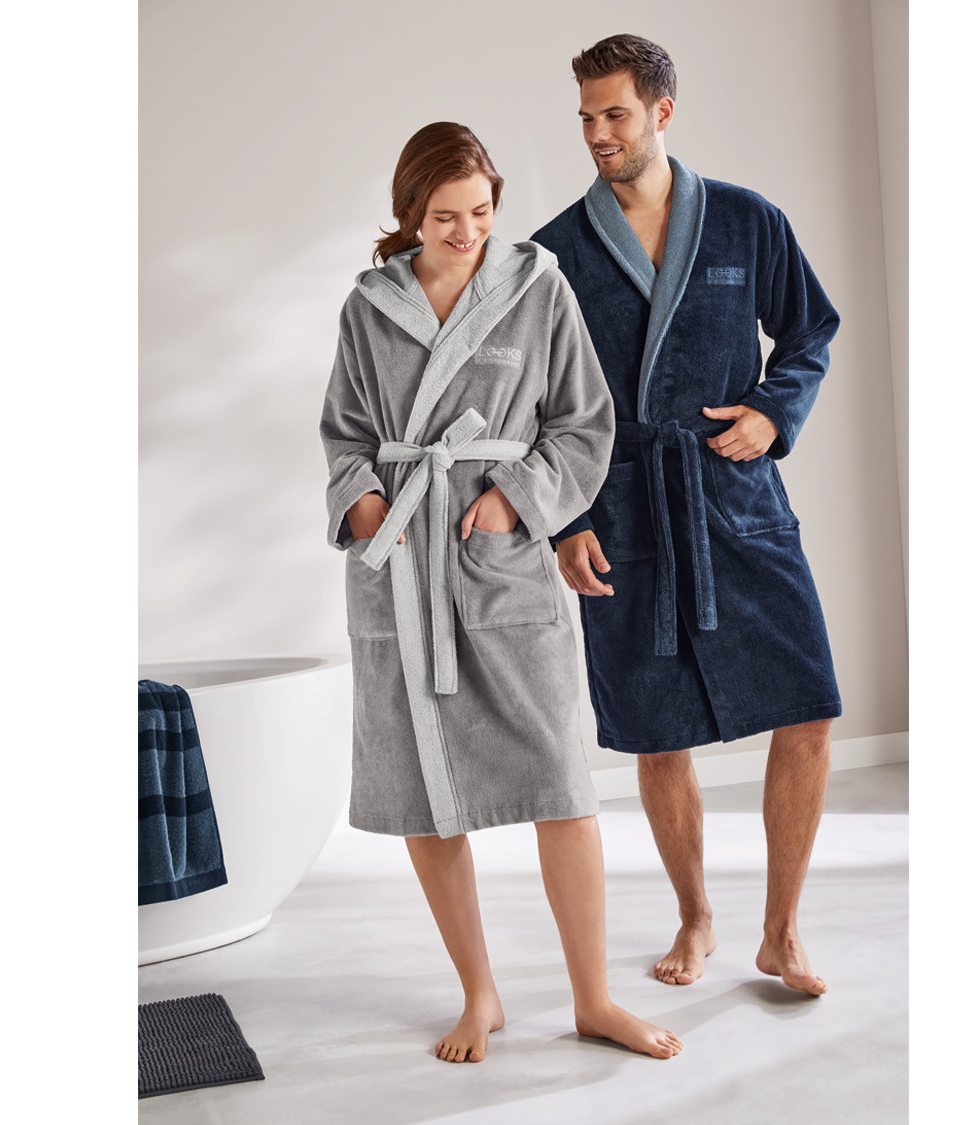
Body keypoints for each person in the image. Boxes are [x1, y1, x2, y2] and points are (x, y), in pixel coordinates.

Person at [318, 121, 683, 1062]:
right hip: (403, 567)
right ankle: (479, 994)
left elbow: (583, 422)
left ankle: (594, 998)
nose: (466, 231)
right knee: (424, 789)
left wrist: (514, 498)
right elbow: (345, 431)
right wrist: (362, 499)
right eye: (445, 216)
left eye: (481, 211)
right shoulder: (370, 306)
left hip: (502, 560)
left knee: (560, 782)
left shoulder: (534, 286)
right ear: (410, 211)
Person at [530, 35, 843, 996]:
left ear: (662, 111)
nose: (597, 133)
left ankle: (781, 931)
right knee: (656, 731)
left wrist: (773, 411)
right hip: (624, 508)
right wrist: (566, 521)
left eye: (615, 114)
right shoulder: (555, 252)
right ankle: (697, 914)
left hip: (735, 497)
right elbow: (535, 401)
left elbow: (810, 328)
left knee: (808, 710)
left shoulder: (746, 221)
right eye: (586, 116)